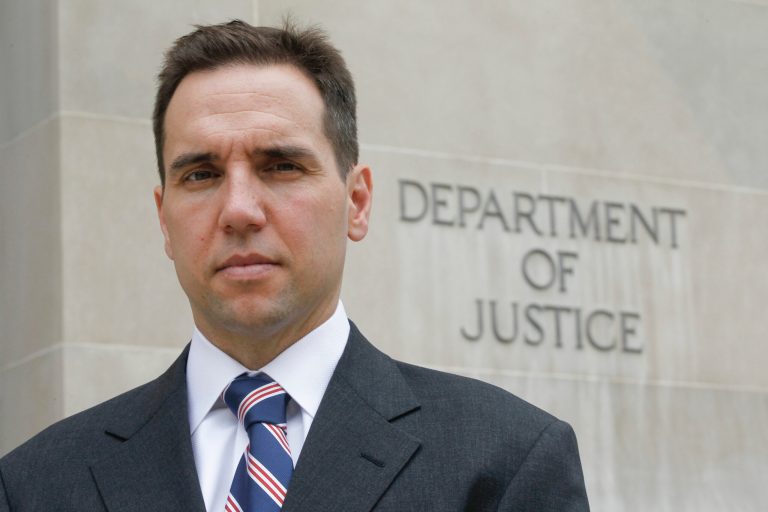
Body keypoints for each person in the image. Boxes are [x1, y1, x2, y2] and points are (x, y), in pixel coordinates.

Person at [0, 20, 589, 511]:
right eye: (200, 174)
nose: (238, 210)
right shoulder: (35, 486)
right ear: (164, 219)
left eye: (280, 166)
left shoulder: (504, 462)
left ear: (356, 202)